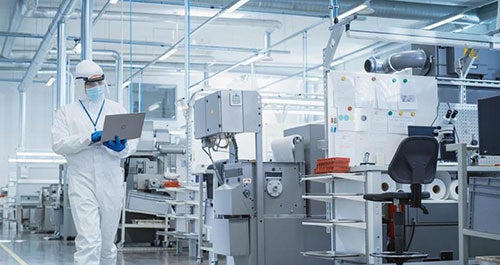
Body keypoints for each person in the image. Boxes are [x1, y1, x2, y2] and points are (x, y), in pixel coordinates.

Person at [51, 60, 138, 265]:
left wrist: (122, 149)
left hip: (111, 180)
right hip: (82, 180)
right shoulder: (66, 112)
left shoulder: (116, 108)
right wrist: (89, 138)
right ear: (80, 85)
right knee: (89, 241)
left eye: (100, 82)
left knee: (107, 243)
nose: (97, 87)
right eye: (91, 84)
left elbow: (132, 141)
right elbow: (59, 144)